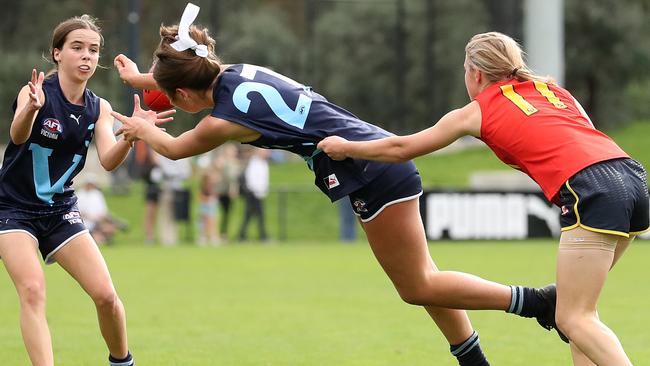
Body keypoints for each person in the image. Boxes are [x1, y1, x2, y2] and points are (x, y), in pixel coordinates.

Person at [111, 5, 559, 365]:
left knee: (417, 286)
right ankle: (475, 359)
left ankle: (536, 302)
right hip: (374, 155)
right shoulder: (235, 71)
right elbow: (193, 69)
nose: (173, 102)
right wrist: (142, 79)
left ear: (184, 96)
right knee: (427, 280)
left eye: (172, 97)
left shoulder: (222, 122)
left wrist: (138, 126)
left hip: (367, 166)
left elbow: (172, 148)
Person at [318, 31, 649, 366]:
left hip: (592, 191)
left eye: (465, 70)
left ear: (475, 73)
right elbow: (587, 136)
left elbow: (401, 148)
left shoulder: (477, 111)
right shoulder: (555, 91)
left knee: (574, 319)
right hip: (631, 177)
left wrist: (346, 147)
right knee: (577, 315)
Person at [0, 15, 172, 366]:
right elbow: (18, 136)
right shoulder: (34, 93)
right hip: (12, 210)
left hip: (60, 210)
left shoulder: (99, 108)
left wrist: (130, 136)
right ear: (57, 54)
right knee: (32, 291)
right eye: (77, 48)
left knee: (107, 296)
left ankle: (122, 362)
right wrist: (30, 111)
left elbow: (108, 160)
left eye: (93, 50)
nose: (87, 56)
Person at [76, 174, 127, 246]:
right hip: (85, 223)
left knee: (111, 228)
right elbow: (78, 212)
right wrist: (91, 217)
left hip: (98, 221)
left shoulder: (97, 194)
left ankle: (103, 237)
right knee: (98, 240)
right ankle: (99, 238)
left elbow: (103, 212)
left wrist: (103, 219)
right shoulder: (79, 195)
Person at [238, 147, 270, 242]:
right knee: (255, 216)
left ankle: (242, 236)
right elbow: (251, 179)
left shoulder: (263, 163)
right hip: (253, 194)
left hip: (259, 194)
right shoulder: (254, 163)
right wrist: (255, 192)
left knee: (251, 216)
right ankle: (262, 236)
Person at [214, 143, 241, 242]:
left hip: (229, 192)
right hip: (220, 191)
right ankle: (215, 234)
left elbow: (235, 180)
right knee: (216, 213)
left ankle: (223, 234)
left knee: (227, 214)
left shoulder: (235, 163)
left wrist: (235, 189)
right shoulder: (221, 161)